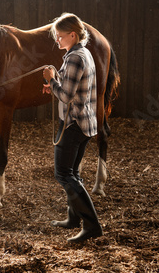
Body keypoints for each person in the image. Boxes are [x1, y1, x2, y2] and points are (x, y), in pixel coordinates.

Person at [42, 13, 103, 243]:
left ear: (72, 34)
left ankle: (92, 225)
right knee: (73, 173)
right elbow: (72, 87)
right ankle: (74, 219)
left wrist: (51, 80)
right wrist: (55, 83)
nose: (56, 40)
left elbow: (66, 96)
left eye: (59, 36)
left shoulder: (75, 57)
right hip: (84, 122)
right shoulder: (81, 53)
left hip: (74, 123)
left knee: (63, 174)